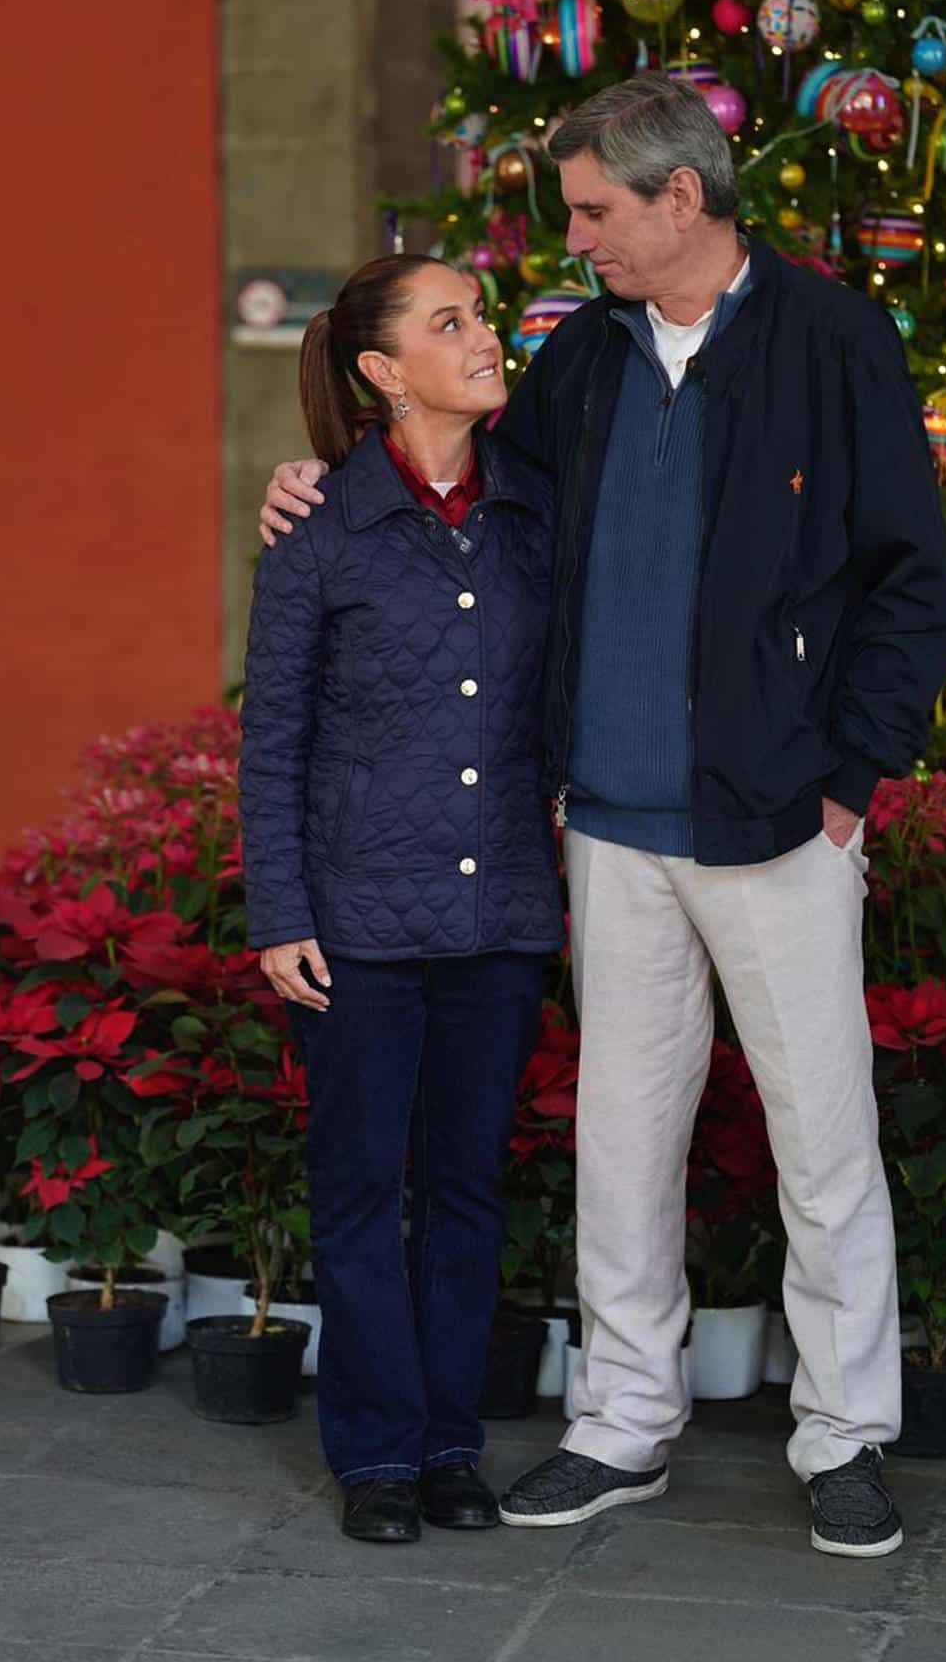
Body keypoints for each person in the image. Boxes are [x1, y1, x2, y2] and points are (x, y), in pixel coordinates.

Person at [258, 76, 946, 1559]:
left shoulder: (832, 339)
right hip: (610, 829)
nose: (569, 242)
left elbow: (909, 575)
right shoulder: (580, 358)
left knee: (821, 1145)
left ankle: (842, 1438)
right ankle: (620, 1425)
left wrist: (850, 783)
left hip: (779, 825)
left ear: (677, 200)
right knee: (617, 1144)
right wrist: (322, 477)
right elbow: (460, 489)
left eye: (590, 212)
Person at [240, 253, 564, 1546]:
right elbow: (271, 738)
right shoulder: (316, 527)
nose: (483, 337)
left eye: (480, 315)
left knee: (469, 1189)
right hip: (357, 921)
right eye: (452, 321)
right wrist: (279, 913)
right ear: (383, 371)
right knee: (365, 1191)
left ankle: (446, 1447)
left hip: (499, 918)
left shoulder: (534, 508)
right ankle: (374, 1455)